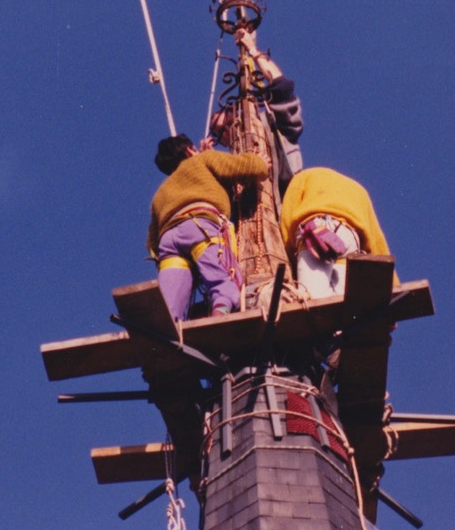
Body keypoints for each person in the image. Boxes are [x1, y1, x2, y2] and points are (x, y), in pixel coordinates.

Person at [149, 133, 268, 320]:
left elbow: (152, 241)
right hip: (200, 227)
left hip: (168, 240)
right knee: (223, 282)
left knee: (170, 301)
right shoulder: (202, 160)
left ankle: (164, 328)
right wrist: (260, 162)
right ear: (189, 150)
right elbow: (244, 167)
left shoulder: (160, 193)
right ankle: (220, 310)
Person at [278, 166, 397, 298]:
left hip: (316, 232)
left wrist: (290, 260)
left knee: (314, 302)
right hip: (350, 240)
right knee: (340, 307)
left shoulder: (301, 178)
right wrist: (394, 286)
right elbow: (376, 240)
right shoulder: (359, 190)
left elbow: (287, 221)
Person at [210, 28, 304, 193]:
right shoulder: (233, 170)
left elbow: (281, 86)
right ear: (223, 142)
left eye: (229, 122)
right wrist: (205, 158)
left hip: (290, 202)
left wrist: (252, 50)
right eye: (219, 133)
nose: (227, 130)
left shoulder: (273, 122)